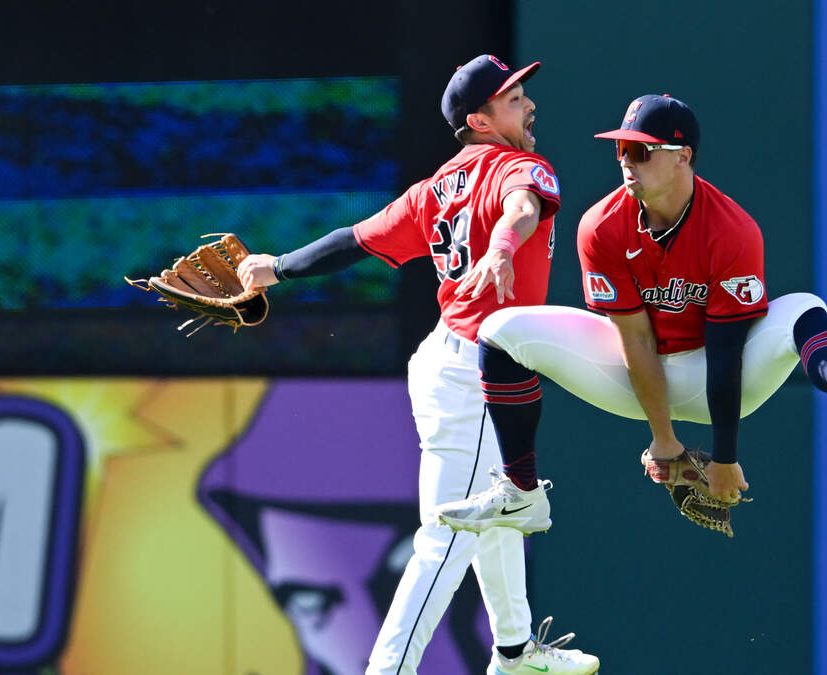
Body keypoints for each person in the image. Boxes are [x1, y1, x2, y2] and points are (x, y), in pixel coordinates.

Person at [236, 54, 599, 675]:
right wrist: (505, 244)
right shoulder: (522, 166)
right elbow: (520, 208)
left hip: (450, 359)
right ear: (480, 120)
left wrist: (277, 267)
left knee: (501, 504)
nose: (529, 105)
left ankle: (515, 651)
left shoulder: (436, 189)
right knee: (447, 536)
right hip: (477, 372)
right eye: (513, 99)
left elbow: (353, 240)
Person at [435, 94, 827, 534]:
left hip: (719, 377)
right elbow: (636, 342)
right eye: (621, 150)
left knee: (804, 307)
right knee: (499, 331)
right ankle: (521, 494)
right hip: (631, 377)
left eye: (642, 150)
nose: (627, 162)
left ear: (683, 157)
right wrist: (665, 442)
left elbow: (726, 352)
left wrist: (724, 457)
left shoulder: (732, 230)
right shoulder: (600, 227)